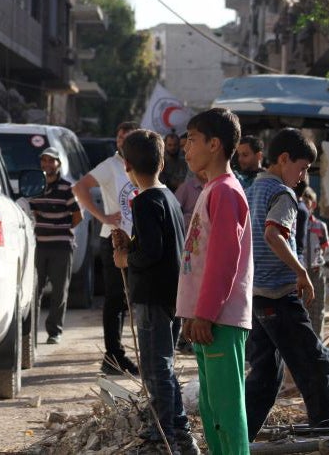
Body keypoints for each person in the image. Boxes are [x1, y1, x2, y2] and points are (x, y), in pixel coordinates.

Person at [244, 128, 329, 441]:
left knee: (263, 379)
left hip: (256, 296)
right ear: (283, 159)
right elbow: (274, 233)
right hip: (280, 296)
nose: (302, 177)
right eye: (301, 168)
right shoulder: (283, 194)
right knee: (316, 369)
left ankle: (236, 437)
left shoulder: (252, 188)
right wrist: (301, 272)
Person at [111, 129, 200, 455]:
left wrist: (124, 257)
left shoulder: (146, 201)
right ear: (162, 161)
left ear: (127, 165)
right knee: (163, 365)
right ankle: (179, 432)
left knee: (155, 367)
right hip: (171, 295)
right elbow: (157, 246)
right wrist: (129, 242)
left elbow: (150, 252)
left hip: (153, 297)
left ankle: (162, 434)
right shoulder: (169, 198)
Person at [176, 108, 253, 454]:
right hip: (208, 319)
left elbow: (224, 261)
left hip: (220, 319)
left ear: (215, 144)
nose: (186, 149)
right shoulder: (212, 189)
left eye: (192, 140)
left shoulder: (225, 191)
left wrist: (205, 313)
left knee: (226, 410)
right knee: (211, 412)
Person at [73, 121, 140, 375]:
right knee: (115, 299)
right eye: (120, 137)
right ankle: (113, 355)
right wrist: (102, 216)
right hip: (113, 237)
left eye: (127, 137)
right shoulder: (111, 165)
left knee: (125, 300)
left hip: (134, 238)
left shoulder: (137, 164)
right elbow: (80, 188)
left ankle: (118, 353)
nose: (122, 141)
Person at [30, 147, 82, 344]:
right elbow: (33, 211)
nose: (47, 165)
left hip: (62, 247)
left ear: (58, 164)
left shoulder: (67, 188)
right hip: (40, 246)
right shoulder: (36, 186)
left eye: (51, 161)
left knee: (60, 290)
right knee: (35, 289)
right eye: (44, 160)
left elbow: (78, 216)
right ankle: (31, 333)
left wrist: (59, 228)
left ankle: (54, 331)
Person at [301, 186, 329, 339]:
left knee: (317, 308)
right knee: (300, 308)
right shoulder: (295, 224)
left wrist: (317, 263)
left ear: (314, 205)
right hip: (299, 273)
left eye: (308, 202)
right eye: (302, 202)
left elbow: (324, 246)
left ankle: (317, 341)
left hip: (315, 272)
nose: (305, 205)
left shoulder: (320, 226)